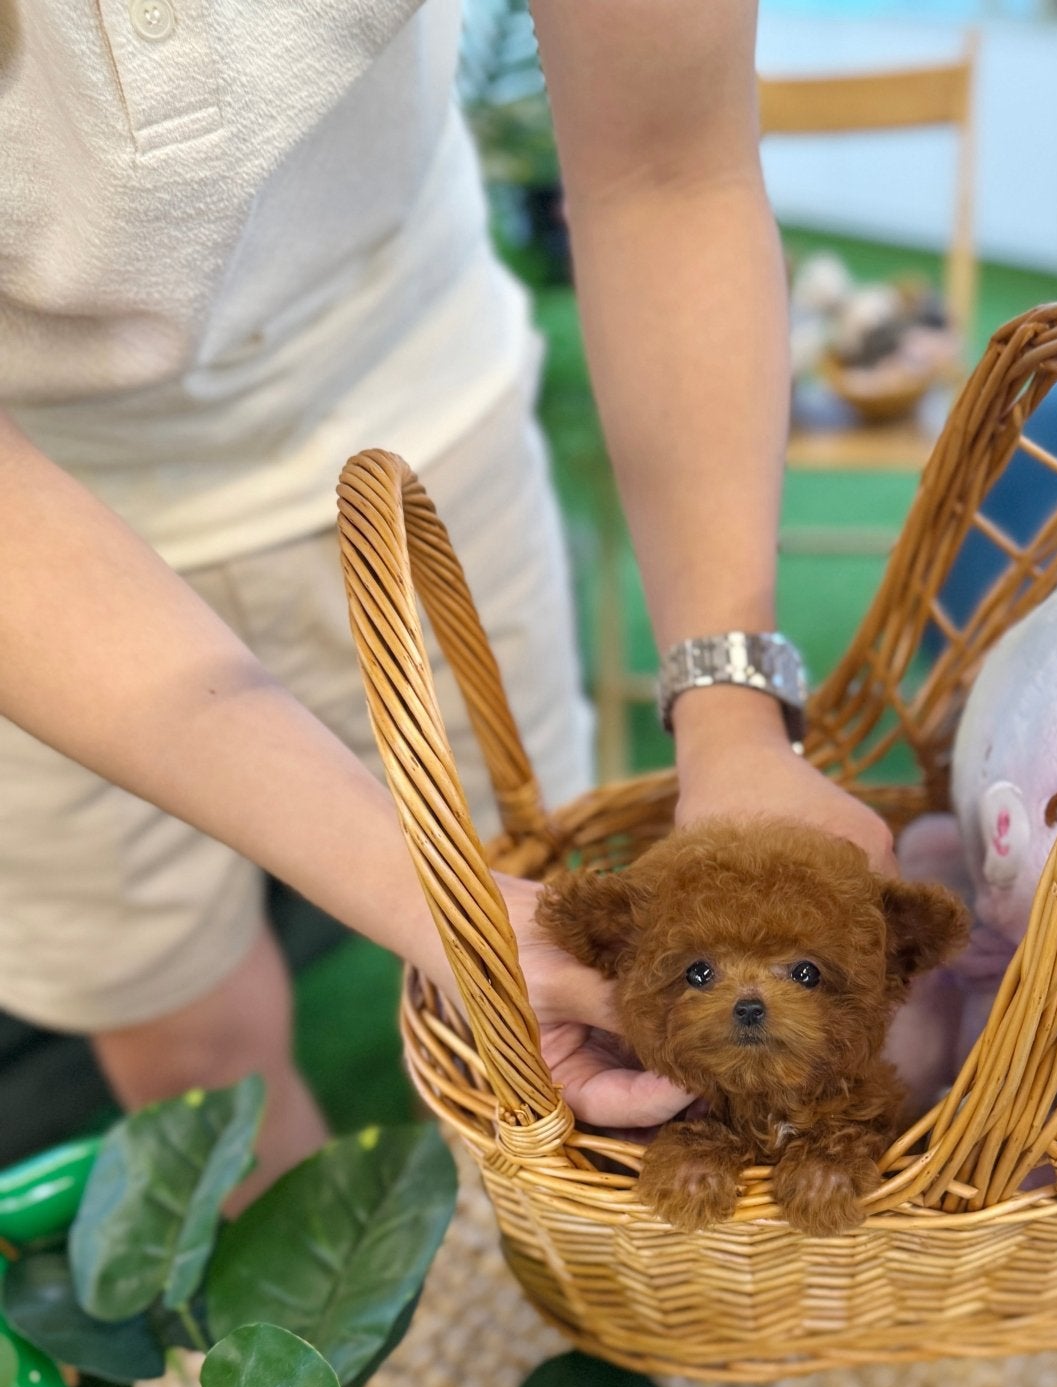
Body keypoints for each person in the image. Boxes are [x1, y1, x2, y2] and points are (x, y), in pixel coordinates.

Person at [0, 0, 891, 1192]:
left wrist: (729, 705)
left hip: (413, 404)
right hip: (42, 530)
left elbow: (669, 170)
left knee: (569, 1003)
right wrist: (447, 907)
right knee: (186, 1045)